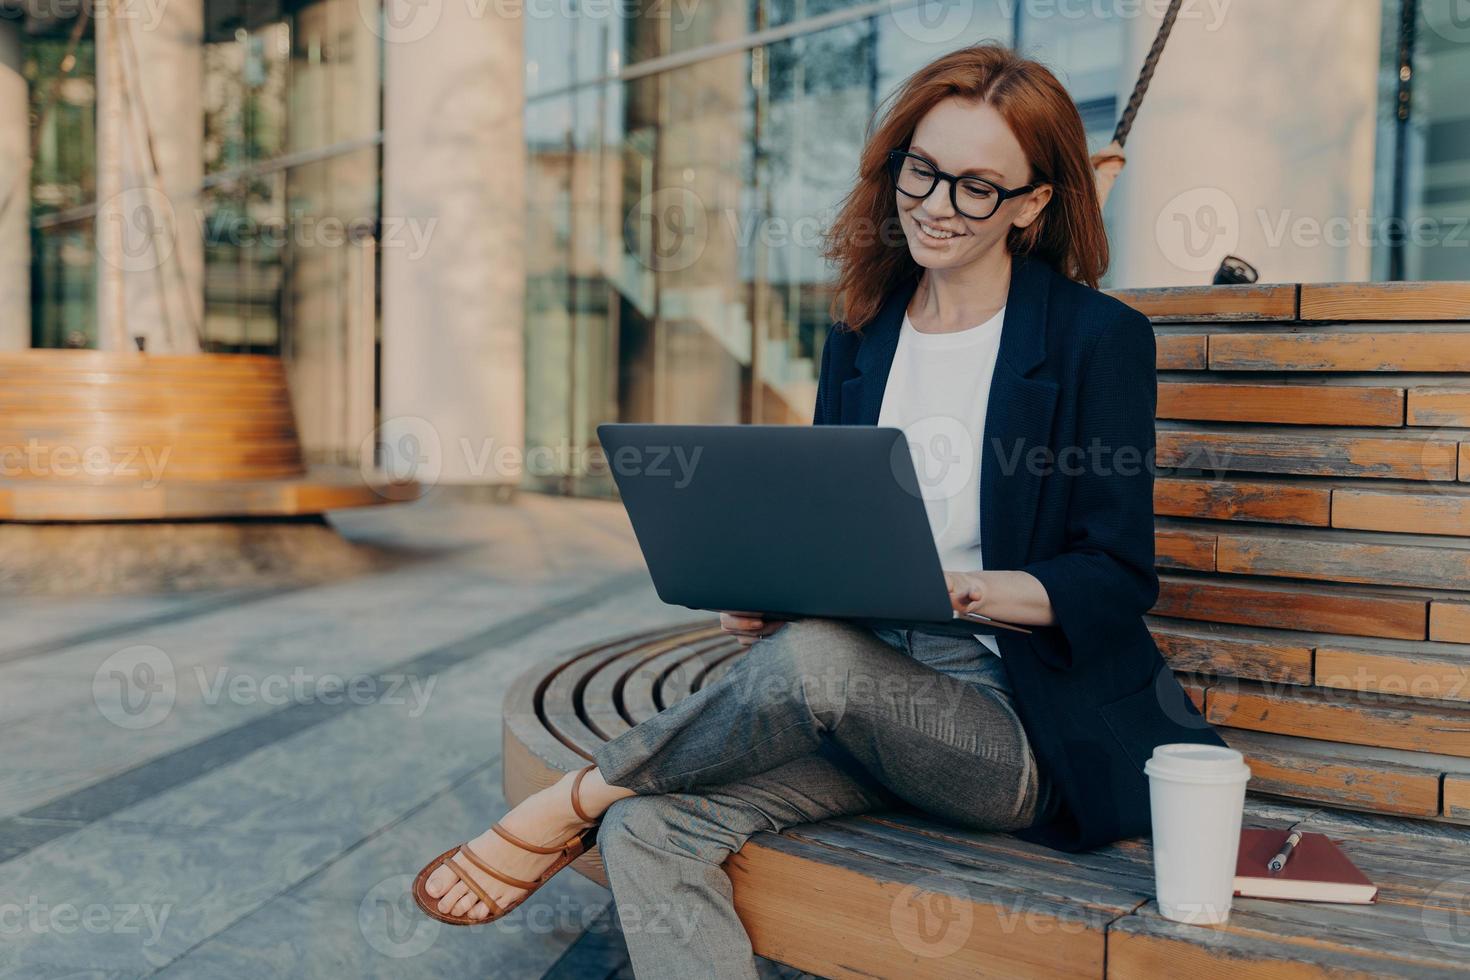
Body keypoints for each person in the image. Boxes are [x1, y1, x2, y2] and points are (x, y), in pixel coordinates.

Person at [413, 42, 1226, 977]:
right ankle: (613, 801)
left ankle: (573, 797)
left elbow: (1116, 578)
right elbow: (832, 523)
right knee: (651, 828)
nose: (934, 204)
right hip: (851, 693)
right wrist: (774, 589)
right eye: (922, 171)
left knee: (811, 664)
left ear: (1032, 205)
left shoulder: (1097, 340)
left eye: (975, 186)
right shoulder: (863, 335)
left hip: (1010, 722)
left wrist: (961, 592)